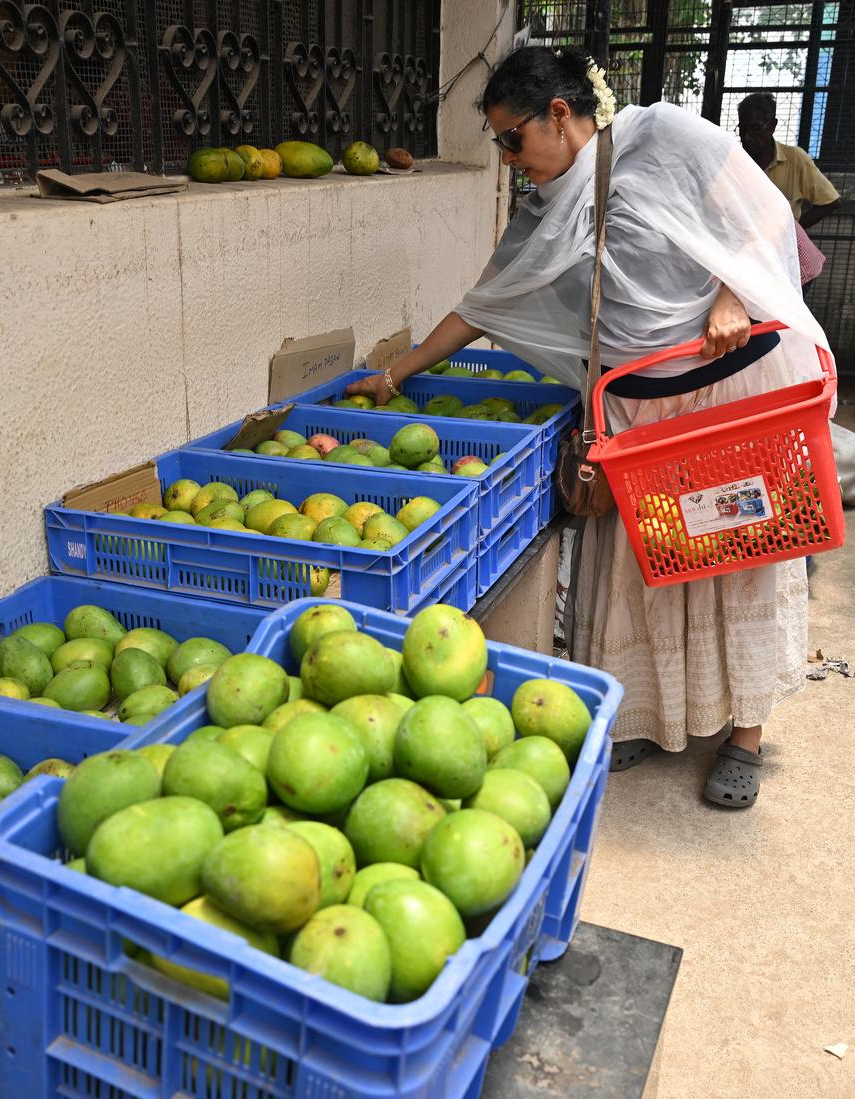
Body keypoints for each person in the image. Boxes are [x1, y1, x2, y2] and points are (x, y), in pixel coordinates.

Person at [347, 46, 831, 808]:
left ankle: (745, 734)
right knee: (649, 562)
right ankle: (652, 712)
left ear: (561, 116)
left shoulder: (664, 137)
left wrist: (733, 294)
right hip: (635, 405)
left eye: (513, 139)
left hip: (724, 387)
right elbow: (481, 305)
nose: (509, 160)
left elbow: (764, 211)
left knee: (739, 552)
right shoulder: (544, 207)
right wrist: (395, 374)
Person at [737, 92, 843, 229]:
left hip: (780, 245)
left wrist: (793, 232)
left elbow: (832, 201)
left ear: (772, 126)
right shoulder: (735, 160)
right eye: (742, 129)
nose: (746, 137)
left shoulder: (795, 159)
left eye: (756, 128)